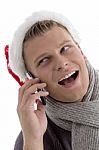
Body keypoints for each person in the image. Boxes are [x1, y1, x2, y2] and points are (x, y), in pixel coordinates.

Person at [6, 10, 99, 150]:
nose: (61, 64)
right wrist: (34, 140)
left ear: (80, 50)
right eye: (44, 60)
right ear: (32, 81)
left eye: (65, 48)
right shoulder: (36, 137)